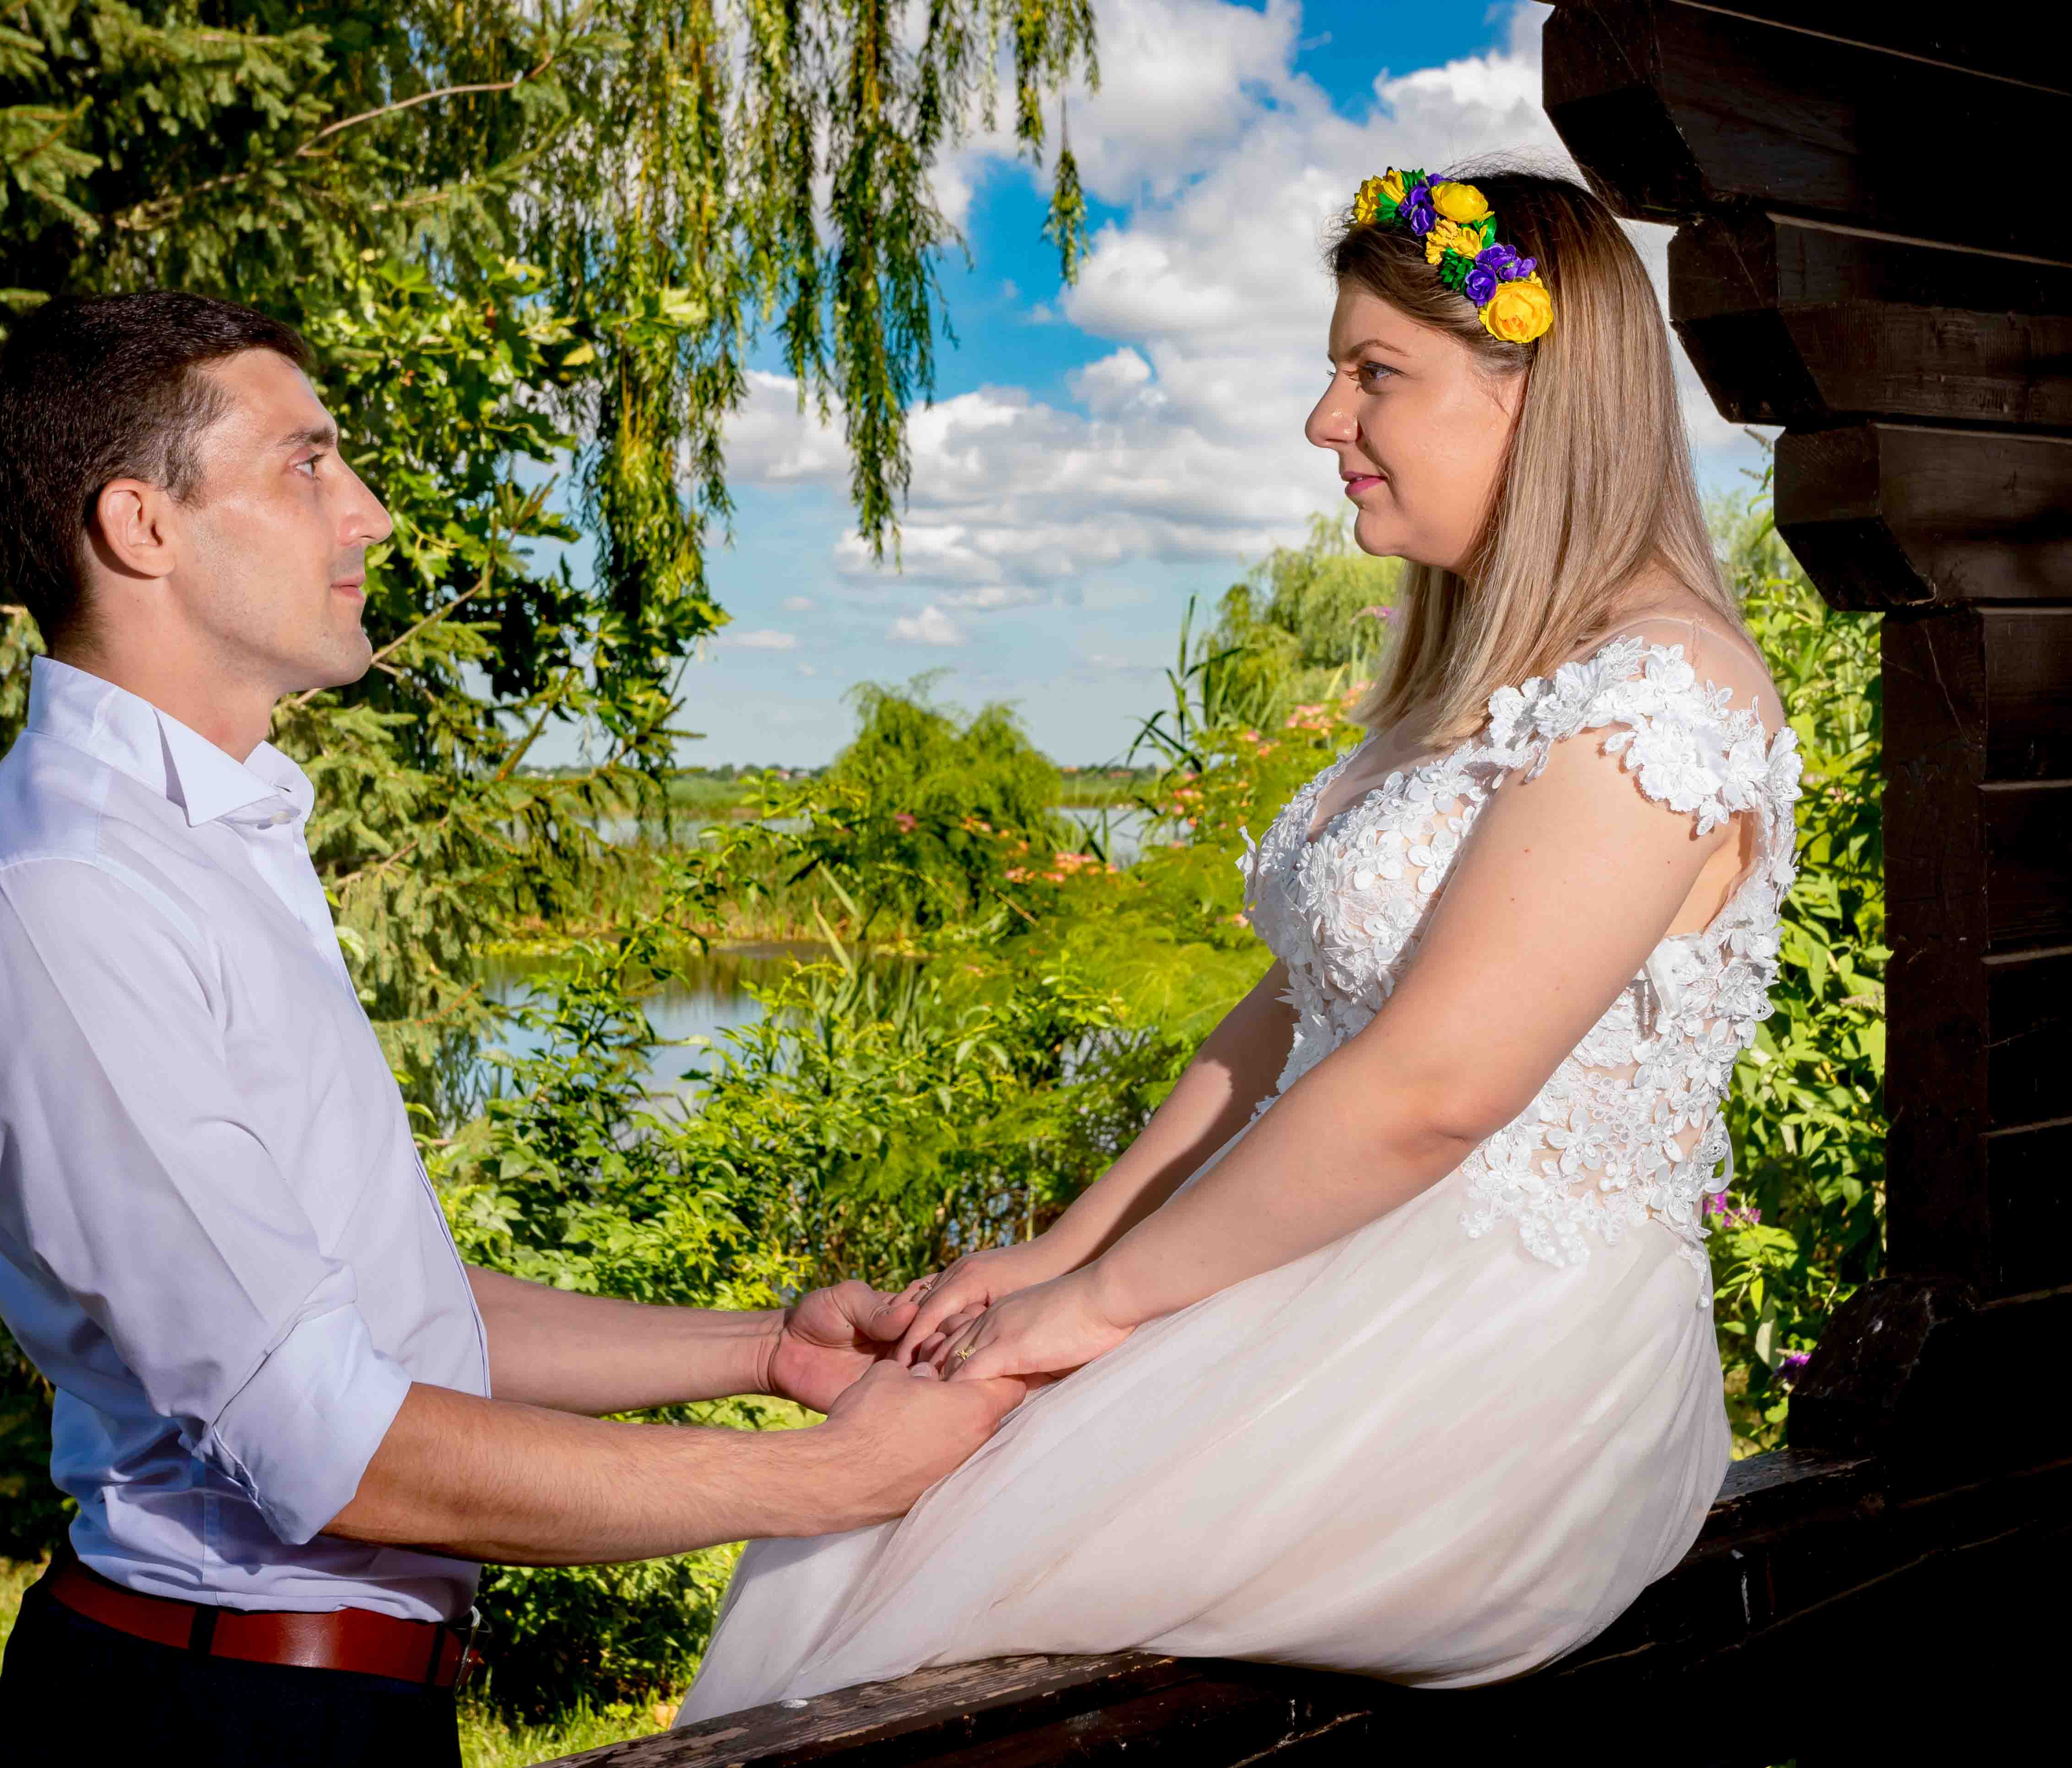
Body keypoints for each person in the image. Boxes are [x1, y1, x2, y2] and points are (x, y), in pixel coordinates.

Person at [675, 164, 1804, 1718]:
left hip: (1501, 1341)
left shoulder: (1665, 696)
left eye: (1374, 373)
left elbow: (1432, 1086)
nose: (1323, 419)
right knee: (888, 1460)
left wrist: (1100, 1310)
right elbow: (1292, 1016)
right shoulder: (1476, 696)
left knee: (917, 1537)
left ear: (1534, 396)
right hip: (1343, 1265)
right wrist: (1063, 1249)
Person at [0, 291, 1023, 1765]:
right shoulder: (66, 897)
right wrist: (829, 1477)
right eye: (307, 463)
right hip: (219, 1720)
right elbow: (325, 1434)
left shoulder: (206, 844)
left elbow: (398, 1316)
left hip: (318, 1703)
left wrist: (763, 1350)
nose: (366, 513)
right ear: (140, 526)